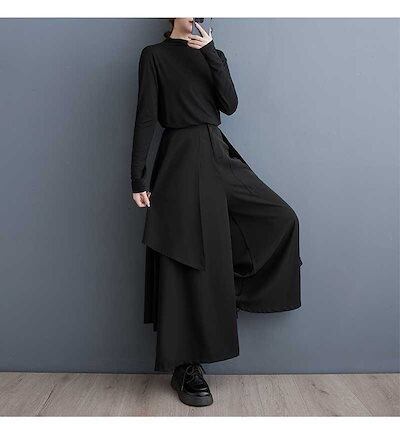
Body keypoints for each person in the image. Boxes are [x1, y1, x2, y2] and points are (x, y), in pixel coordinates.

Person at [131, 18, 302, 407]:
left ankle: (228, 291)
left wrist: (210, 53)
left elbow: (230, 104)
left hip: (215, 151)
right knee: (184, 254)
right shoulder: (154, 56)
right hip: (178, 157)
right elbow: (145, 116)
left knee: (281, 217)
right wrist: (137, 178)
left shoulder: (213, 53)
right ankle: (185, 366)